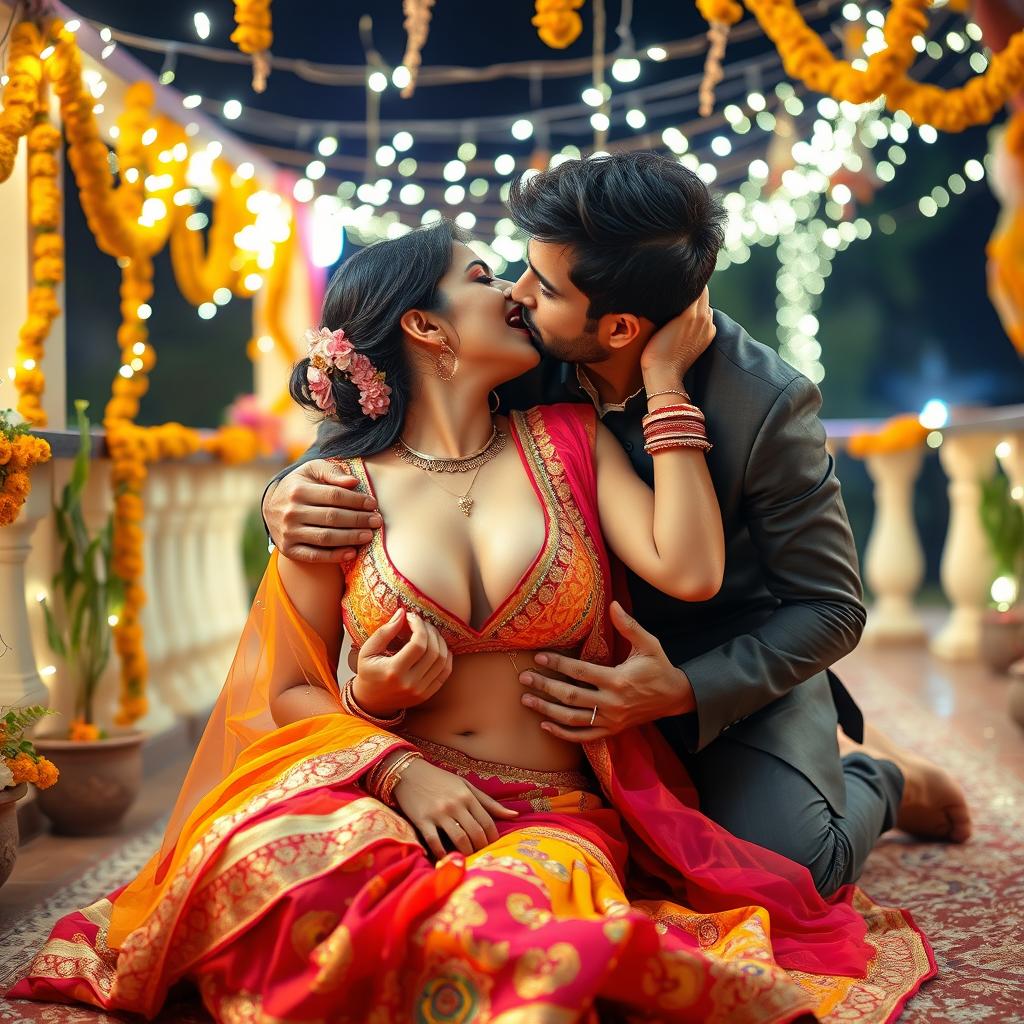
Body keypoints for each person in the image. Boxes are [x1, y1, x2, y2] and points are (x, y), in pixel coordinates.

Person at [8, 221, 933, 1023]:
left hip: (562, 798)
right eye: (486, 278)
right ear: (423, 326)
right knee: (271, 876)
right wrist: (391, 749)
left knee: (517, 941)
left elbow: (692, 572)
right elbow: (292, 681)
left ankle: (871, 783)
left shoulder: (565, 436)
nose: (519, 296)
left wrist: (665, 379)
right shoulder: (339, 493)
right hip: (392, 791)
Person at [264, 152, 970, 897]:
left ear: (621, 326)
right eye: (517, 269)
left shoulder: (764, 403)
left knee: (787, 872)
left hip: (717, 666)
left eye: (543, 286)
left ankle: (878, 781)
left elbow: (831, 607)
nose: (516, 293)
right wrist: (283, 495)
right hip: (567, 691)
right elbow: (383, 415)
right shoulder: (520, 350)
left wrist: (682, 690)